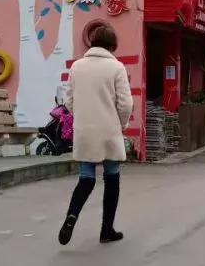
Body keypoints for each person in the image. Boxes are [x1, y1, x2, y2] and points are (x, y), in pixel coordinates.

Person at [58, 22, 133, 245]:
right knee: (112, 178)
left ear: (93, 43)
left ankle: (72, 216)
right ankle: (106, 230)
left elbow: (68, 101)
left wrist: (83, 116)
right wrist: (121, 124)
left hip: (85, 132)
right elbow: (125, 104)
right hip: (109, 131)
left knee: (86, 178)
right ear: (112, 45)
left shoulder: (77, 67)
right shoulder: (116, 67)